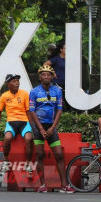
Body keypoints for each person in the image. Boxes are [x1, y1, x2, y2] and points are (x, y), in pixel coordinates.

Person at [29, 65, 74, 193]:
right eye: (44, 74)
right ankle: (43, 184)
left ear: (52, 76)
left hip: (51, 126)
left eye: (49, 74)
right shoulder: (34, 92)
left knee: (59, 155)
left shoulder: (57, 91)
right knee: (39, 155)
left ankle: (64, 185)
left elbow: (59, 109)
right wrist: (41, 129)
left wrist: (53, 127)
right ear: (40, 77)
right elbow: (32, 111)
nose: (46, 77)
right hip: (38, 127)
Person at [0, 74, 33, 177]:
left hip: (24, 122)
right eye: (14, 81)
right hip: (11, 122)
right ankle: (5, 161)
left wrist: (33, 126)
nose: (17, 83)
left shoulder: (24, 94)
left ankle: (28, 163)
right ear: (8, 84)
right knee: (7, 137)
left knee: (29, 138)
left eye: (17, 81)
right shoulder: (4, 96)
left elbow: (28, 111)